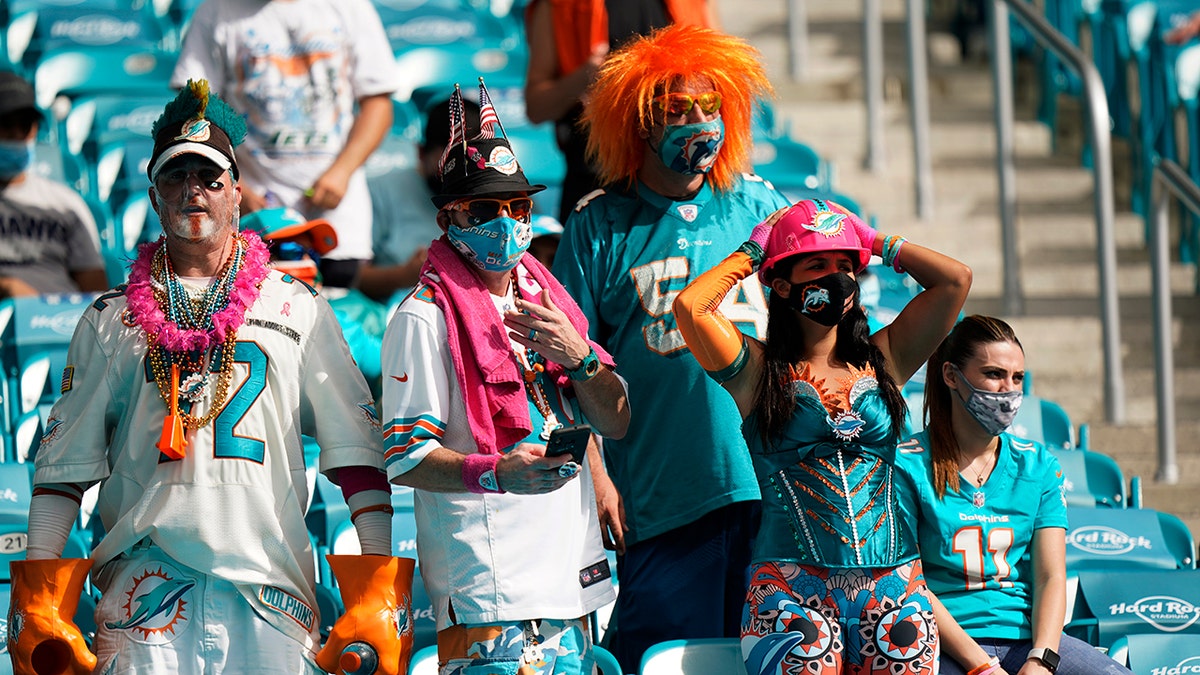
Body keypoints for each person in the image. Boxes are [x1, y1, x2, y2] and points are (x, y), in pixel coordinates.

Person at [10, 80, 414, 675]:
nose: (192, 190)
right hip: (141, 593)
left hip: (269, 591)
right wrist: (41, 599)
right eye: (175, 176)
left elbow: (354, 454)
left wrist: (380, 587)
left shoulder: (296, 305)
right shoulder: (109, 317)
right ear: (152, 195)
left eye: (210, 177)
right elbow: (62, 473)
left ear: (237, 195)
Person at [552, 24, 790, 673]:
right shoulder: (598, 225)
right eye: (678, 110)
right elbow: (564, 370)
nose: (700, 125)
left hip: (771, 491)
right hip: (657, 500)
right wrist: (595, 477)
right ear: (638, 121)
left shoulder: (762, 209)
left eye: (709, 106)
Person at [379, 85, 630, 675]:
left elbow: (616, 418)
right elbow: (405, 458)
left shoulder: (551, 305)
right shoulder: (423, 316)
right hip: (488, 589)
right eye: (485, 210)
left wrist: (581, 360)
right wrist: (495, 472)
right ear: (449, 219)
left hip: (569, 576)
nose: (506, 223)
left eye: (517, 208)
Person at [673, 197, 972, 674]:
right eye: (819, 264)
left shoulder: (886, 356)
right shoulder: (756, 370)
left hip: (895, 585)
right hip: (788, 587)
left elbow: (954, 280)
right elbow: (691, 307)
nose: (838, 277)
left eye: (845, 265)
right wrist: (754, 252)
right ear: (783, 284)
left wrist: (873, 241)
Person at [893, 315, 1134, 675]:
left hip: (1026, 640)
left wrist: (1042, 659)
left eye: (1017, 377)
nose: (1008, 389)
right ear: (950, 376)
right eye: (994, 374)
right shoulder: (906, 466)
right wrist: (980, 666)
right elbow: (909, 579)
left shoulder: (1038, 465)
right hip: (941, 642)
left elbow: (1050, 576)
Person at [171, 0, 397, 288]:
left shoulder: (350, 6)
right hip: (252, 218)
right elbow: (192, 110)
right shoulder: (216, 9)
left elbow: (378, 103)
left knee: (339, 317)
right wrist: (236, 190)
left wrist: (342, 172)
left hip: (337, 221)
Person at [523, 0, 716, 224]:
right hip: (596, 179)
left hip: (685, 178)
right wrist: (585, 76)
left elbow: (722, 87)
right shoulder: (558, 5)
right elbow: (536, 107)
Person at [359, 97, 482, 305]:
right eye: (447, 166)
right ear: (420, 153)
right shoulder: (381, 190)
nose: (458, 175)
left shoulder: (501, 195)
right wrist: (406, 274)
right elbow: (354, 277)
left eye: (467, 164)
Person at [0, 71, 107, 297]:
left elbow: (96, 291)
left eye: (25, 125)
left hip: (61, 324)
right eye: (6, 125)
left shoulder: (65, 204)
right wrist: (6, 287)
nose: (17, 134)